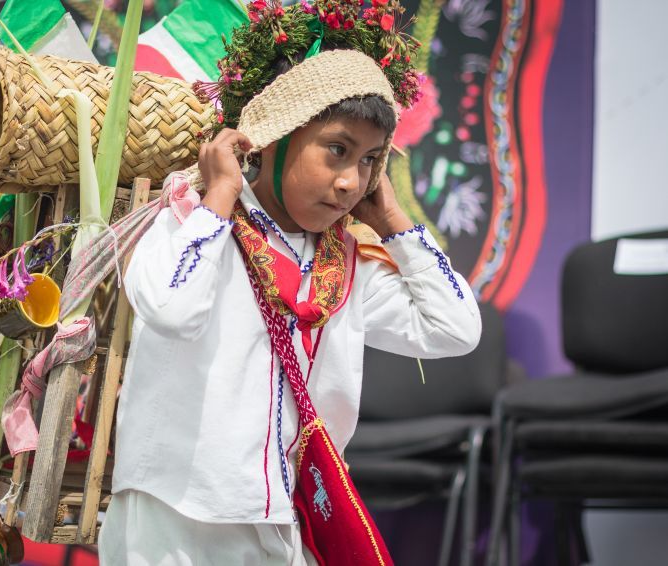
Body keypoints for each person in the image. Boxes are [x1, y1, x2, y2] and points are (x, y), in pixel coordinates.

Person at [98, 3, 481, 565]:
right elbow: (172, 309)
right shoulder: (190, 217)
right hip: (171, 516)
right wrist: (222, 193)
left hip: (283, 519)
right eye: (337, 150)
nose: (352, 181)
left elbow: (456, 330)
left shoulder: (347, 264)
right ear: (273, 137)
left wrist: (396, 223)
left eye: (371, 160)